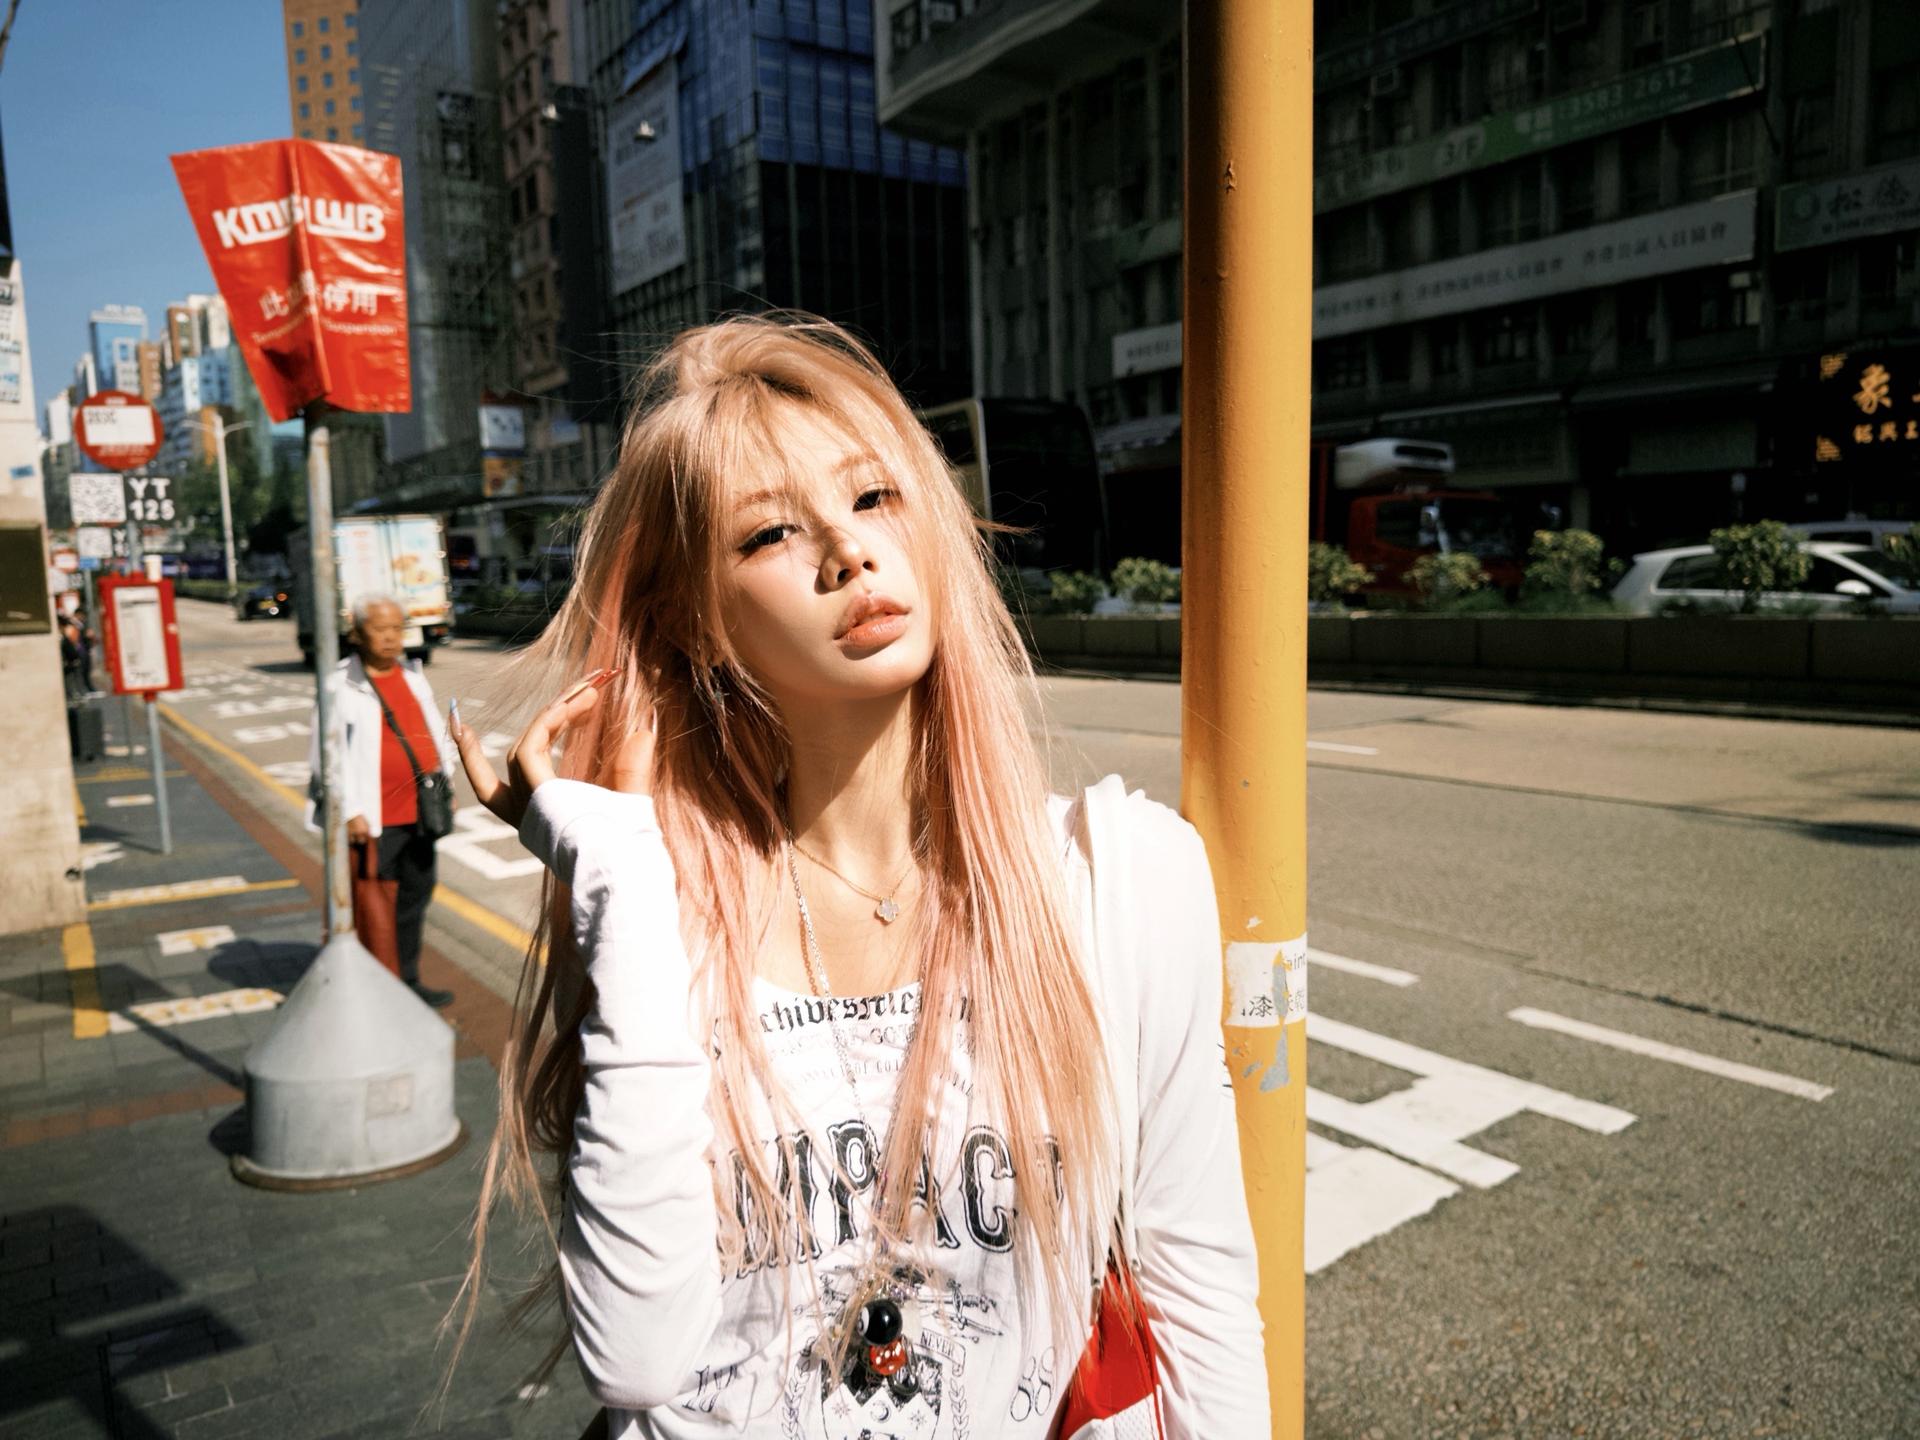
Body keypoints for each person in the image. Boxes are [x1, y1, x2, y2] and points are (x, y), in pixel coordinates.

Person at [447, 315, 1267, 1437]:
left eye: (875, 497)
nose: (848, 551)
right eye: (770, 532)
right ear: (697, 620)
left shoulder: (1119, 881)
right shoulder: (661, 906)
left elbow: (1199, 1294)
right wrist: (620, 877)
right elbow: (635, 1360)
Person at [305, 595, 458, 1008]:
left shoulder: (412, 676)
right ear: (357, 634)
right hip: (373, 819)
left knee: (413, 898)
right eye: (380, 629)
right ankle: (371, 988)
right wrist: (349, 809)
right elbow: (325, 757)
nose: (391, 637)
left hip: (419, 812)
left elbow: (432, 732)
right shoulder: (338, 685)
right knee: (371, 907)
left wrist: (446, 785)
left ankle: (407, 980)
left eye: (397, 628)